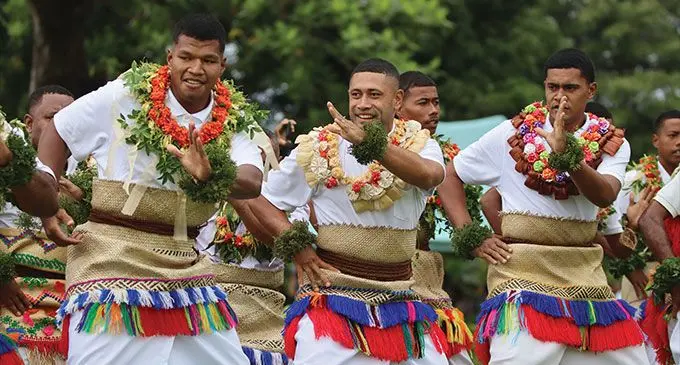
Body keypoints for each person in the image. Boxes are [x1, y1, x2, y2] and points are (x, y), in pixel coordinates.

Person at [34, 14, 267, 365]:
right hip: (112, 256)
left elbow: (251, 180)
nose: (195, 68)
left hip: (185, 265)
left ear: (223, 65)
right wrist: (48, 202)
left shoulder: (234, 117)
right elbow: (59, 131)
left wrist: (211, 172)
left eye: (207, 60)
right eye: (186, 57)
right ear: (169, 56)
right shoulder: (124, 94)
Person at [235, 58, 468, 364]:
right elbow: (260, 199)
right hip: (333, 303)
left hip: (401, 300)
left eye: (374, 94)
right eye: (356, 94)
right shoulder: (319, 145)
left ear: (397, 100)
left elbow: (429, 176)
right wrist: (298, 248)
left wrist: (371, 144)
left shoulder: (419, 143)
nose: (363, 104)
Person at [448, 48, 648, 364]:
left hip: (585, 276)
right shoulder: (512, 133)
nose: (559, 97)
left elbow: (605, 196)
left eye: (570, 88)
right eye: (552, 87)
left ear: (591, 90)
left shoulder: (612, 141)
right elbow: (450, 175)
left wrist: (569, 157)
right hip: (523, 276)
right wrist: (471, 235)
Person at [396, 70, 474, 364]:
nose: (434, 111)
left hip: (430, 278)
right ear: (398, 104)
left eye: (436, 102)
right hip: (392, 278)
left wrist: (474, 239)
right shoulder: (377, 152)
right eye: (424, 103)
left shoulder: (439, 154)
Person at [195, 129, 292, 365]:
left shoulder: (290, 200)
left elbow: (285, 242)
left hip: (264, 319)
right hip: (209, 315)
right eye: (245, 158)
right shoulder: (205, 196)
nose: (253, 166)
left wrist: (237, 195)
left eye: (261, 157)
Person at [0, 85, 78, 365]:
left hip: (74, 310)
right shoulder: (6, 162)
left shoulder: (94, 173)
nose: (62, 126)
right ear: (29, 123)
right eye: (52, 117)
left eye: (71, 118)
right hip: (10, 302)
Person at [638, 147, 680, 365]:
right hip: (644, 274)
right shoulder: (635, 178)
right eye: (673, 135)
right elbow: (648, 220)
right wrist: (676, 279)